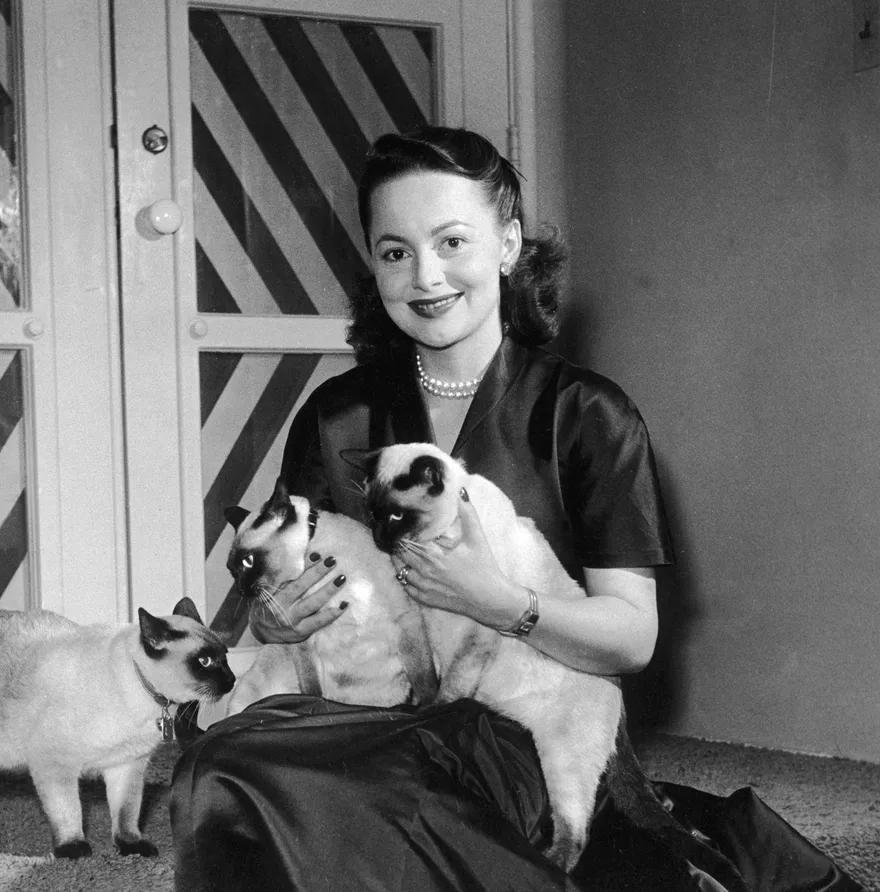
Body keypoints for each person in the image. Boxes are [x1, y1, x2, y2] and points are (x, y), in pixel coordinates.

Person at [170, 127, 861, 892]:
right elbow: (274, 607)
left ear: (507, 244)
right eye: (395, 251)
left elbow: (630, 640)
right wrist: (277, 621)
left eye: (452, 242)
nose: (425, 275)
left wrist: (497, 602)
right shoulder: (337, 419)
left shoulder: (590, 415)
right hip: (363, 711)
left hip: (517, 724)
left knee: (376, 800)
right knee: (219, 769)